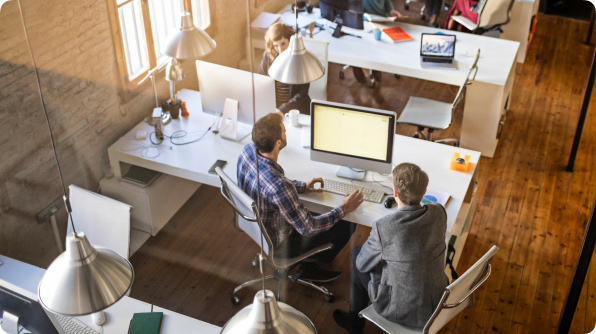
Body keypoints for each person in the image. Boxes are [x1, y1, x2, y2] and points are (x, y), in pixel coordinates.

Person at [237, 113, 364, 281]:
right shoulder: (279, 186)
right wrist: (343, 209)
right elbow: (309, 228)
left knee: (317, 210)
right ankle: (312, 267)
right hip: (281, 244)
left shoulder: (247, 152)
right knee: (347, 223)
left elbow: (270, 187)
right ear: (278, 143)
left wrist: (303, 187)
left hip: (256, 228)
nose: (285, 132)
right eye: (284, 131)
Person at [333, 163, 449, 333]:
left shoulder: (384, 227)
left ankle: (354, 326)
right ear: (425, 192)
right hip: (437, 300)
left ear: (394, 193)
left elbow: (363, 265)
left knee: (356, 260)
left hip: (402, 311)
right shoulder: (439, 212)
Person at [260, 23, 311, 115]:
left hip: (297, 108)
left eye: (283, 44)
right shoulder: (268, 56)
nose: (280, 49)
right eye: (276, 45)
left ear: (290, 41)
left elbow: (302, 93)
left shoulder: (300, 57)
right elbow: (261, 81)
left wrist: (283, 109)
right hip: (274, 108)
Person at [352, 0, 406, 83]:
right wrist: (366, 18)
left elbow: (387, 2)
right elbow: (354, 8)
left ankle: (375, 67)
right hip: (365, 21)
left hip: (383, 21)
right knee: (362, 42)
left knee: (383, 43)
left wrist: (391, 10)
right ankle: (357, 65)